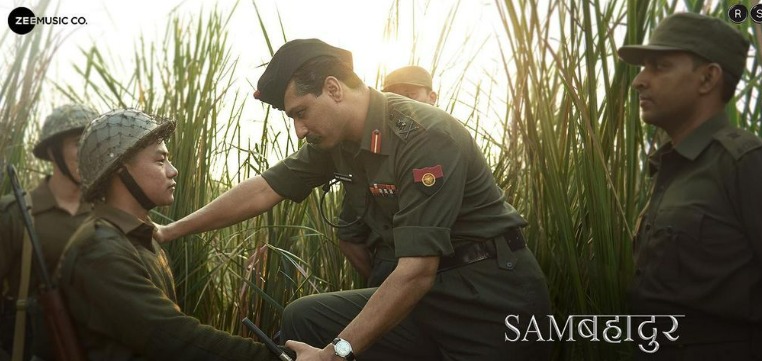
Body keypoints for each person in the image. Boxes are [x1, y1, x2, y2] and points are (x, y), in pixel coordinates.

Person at [156, 38, 551, 360]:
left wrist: (334, 354)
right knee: (304, 318)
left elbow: (416, 271)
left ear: (333, 89)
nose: (298, 129)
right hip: (424, 298)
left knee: (334, 348)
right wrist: (169, 231)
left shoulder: (423, 135)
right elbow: (263, 189)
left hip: (487, 301)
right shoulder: (336, 140)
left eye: (301, 112)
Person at [618, 12, 762, 360]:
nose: (639, 80)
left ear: (707, 78)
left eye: (659, 66)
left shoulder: (750, 164)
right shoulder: (671, 168)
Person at [55, 109, 280, 360]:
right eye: (160, 161)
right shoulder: (100, 251)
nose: (173, 171)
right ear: (120, 170)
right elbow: (176, 339)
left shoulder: (141, 237)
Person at [0, 104, 97, 361]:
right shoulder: (15, 213)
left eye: (92, 143)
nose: (88, 152)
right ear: (53, 152)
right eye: (79, 143)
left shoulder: (106, 213)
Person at [339, 65, 438, 287]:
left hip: (450, 274)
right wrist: (383, 283)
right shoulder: (368, 155)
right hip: (390, 268)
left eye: (410, 95)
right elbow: (349, 237)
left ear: (432, 97)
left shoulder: (449, 143)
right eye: (393, 95)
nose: (402, 102)